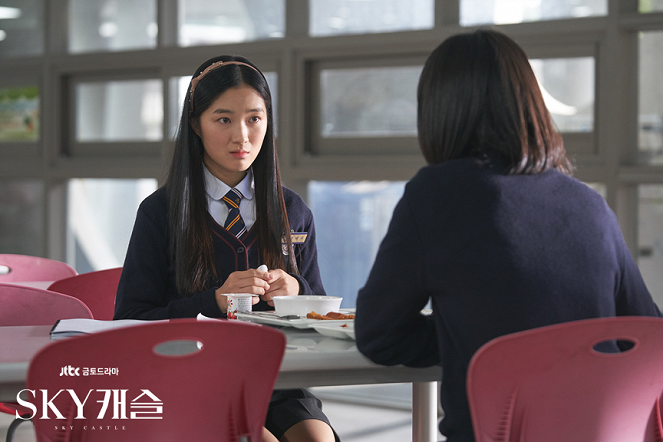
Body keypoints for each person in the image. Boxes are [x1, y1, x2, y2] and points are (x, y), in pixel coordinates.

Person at [354, 29, 662, 442]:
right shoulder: (590, 205)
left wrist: (477, 341)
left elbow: (378, 335)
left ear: (438, 112)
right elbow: (647, 332)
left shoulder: (436, 195)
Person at [114, 55, 338, 442]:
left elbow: (320, 315)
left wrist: (297, 291)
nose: (242, 136)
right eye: (223, 119)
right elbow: (130, 321)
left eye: (255, 118)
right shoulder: (160, 213)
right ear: (195, 125)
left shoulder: (292, 210)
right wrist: (215, 302)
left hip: (277, 381)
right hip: (189, 381)